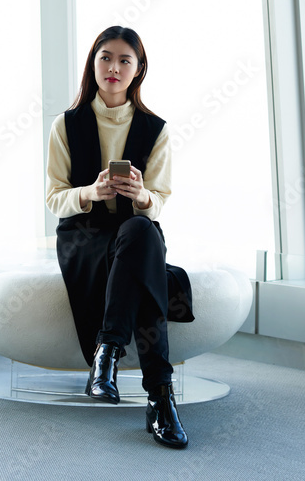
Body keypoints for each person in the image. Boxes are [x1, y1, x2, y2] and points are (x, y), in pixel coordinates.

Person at [45, 25, 194, 449]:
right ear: (93, 64)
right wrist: (91, 193)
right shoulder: (66, 125)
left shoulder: (156, 128)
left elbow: (158, 202)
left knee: (141, 230)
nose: (113, 67)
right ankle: (161, 397)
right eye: (105, 57)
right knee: (145, 265)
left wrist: (141, 195)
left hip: (135, 232)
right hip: (84, 235)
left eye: (124, 60)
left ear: (138, 69)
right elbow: (54, 198)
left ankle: (106, 353)